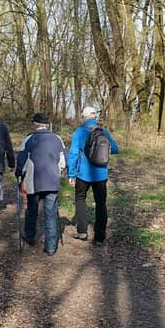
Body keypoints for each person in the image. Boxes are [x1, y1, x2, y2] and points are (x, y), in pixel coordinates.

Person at [67, 106, 119, 246]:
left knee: (80, 199)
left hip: (83, 174)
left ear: (83, 117)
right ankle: (100, 238)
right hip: (101, 175)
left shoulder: (79, 132)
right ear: (95, 117)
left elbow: (72, 154)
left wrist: (71, 174)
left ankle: (82, 232)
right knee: (101, 204)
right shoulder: (104, 131)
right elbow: (115, 149)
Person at [15, 113, 66, 255]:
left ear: (35, 124)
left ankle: (30, 236)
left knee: (32, 209)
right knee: (50, 213)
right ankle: (50, 247)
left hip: (34, 181)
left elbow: (22, 161)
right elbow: (63, 162)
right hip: (52, 181)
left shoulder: (29, 139)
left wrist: (18, 174)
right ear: (46, 125)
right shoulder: (57, 139)